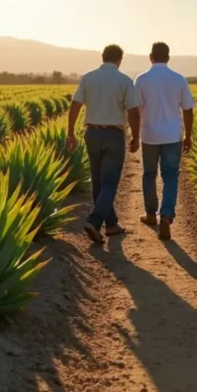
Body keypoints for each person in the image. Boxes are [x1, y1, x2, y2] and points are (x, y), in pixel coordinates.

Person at [67, 44, 141, 244]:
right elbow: (133, 111)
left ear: (102, 57)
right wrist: (136, 136)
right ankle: (95, 220)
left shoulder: (88, 77)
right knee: (109, 183)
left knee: (98, 181)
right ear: (119, 60)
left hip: (92, 133)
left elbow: (75, 105)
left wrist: (70, 132)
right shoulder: (124, 80)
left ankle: (112, 224)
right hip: (114, 135)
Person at [133, 42, 194, 240]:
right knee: (170, 176)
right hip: (172, 136)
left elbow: (135, 109)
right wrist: (188, 136)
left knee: (149, 174)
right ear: (168, 57)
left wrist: (134, 134)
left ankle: (151, 214)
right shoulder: (179, 79)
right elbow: (188, 110)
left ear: (150, 57)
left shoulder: (141, 80)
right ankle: (166, 216)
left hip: (149, 135)